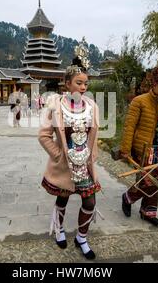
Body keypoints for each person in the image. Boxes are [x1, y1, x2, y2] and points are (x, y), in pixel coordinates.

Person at [38, 40, 101, 260]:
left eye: (86, 83)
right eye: (79, 82)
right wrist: (58, 154)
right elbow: (44, 135)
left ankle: (82, 237)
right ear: (67, 83)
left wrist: (91, 155)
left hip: (85, 164)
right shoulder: (55, 105)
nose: (84, 87)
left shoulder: (92, 106)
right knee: (62, 198)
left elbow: (95, 135)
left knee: (90, 202)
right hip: (65, 163)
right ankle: (60, 228)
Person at [119, 50, 158, 228]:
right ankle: (128, 197)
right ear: (155, 84)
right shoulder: (139, 101)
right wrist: (125, 149)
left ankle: (148, 212)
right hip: (144, 148)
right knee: (147, 181)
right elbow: (129, 127)